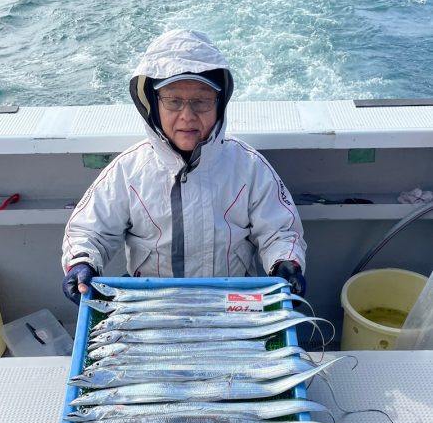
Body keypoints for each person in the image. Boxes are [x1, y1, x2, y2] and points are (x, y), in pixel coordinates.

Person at [62, 29, 306, 304]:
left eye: (201, 101)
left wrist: (286, 262)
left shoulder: (249, 167)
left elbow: (279, 232)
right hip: (150, 305)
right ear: (153, 105)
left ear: (219, 104)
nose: (187, 116)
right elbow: (89, 231)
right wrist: (82, 263)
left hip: (232, 303)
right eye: (173, 101)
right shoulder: (127, 171)